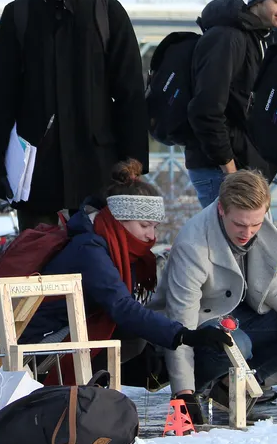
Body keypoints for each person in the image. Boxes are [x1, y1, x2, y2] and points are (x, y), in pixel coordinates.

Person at [0, 0, 148, 230]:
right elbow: (0, 96)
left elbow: (130, 93)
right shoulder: (19, 15)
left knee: (97, 262)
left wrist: (134, 159)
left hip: (98, 168)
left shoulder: (108, 13)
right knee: (37, 265)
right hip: (35, 169)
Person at [20, 160, 223, 392]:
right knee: (129, 331)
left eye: (155, 227)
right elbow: (122, 307)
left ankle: (107, 382)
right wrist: (183, 335)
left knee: (134, 333)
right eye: (145, 225)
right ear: (119, 219)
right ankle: (90, 389)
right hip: (43, 337)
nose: (151, 236)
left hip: (74, 324)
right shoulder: (90, 249)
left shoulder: (113, 246)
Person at [161, 170, 277, 419]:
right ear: (221, 209)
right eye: (240, 224)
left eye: (256, 224)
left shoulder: (257, 218)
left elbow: (268, 280)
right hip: (202, 322)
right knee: (237, 344)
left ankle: (234, 385)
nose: (248, 232)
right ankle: (200, 388)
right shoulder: (192, 244)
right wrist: (183, 393)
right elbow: (180, 321)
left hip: (242, 313)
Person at [185, 0, 277, 206]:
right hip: (222, 170)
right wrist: (229, 169)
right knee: (227, 243)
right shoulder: (227, 38)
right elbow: (207, 108)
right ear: (257, 0)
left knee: (248, 243)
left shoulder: (265, 39)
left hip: (246, 168)